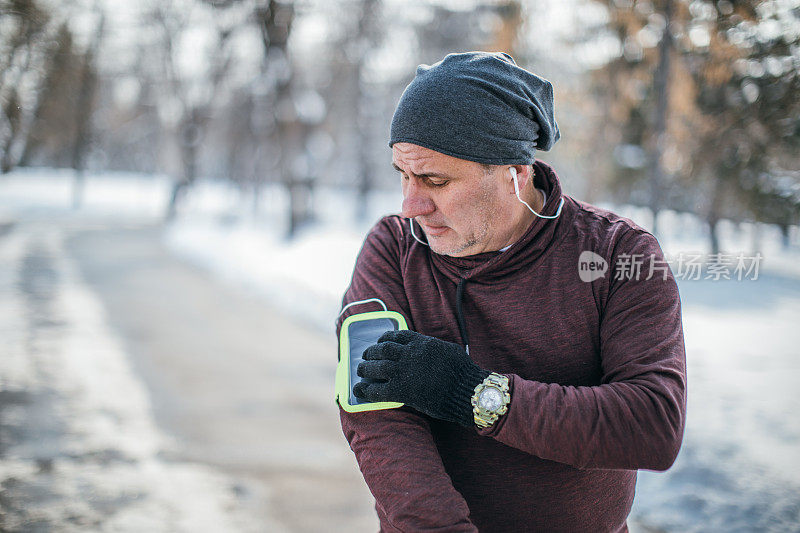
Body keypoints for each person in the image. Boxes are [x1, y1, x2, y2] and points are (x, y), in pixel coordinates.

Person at [336, 51, 686, 533]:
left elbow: (652, 426)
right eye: (403, 174)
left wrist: (472, 393)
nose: (411, 204)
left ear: (514, 174)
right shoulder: (392, 249)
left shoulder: (617, 255)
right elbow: (374, 414)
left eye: (435, 180)